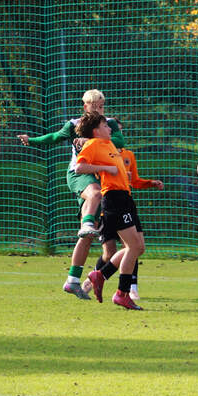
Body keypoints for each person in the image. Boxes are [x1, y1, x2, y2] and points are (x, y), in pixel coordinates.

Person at [17, 89, 124, 297]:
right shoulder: (76, 124)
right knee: (94, 196)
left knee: (89, 236)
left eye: (101, 106)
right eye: (94, 106)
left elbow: (120, 142)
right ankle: (87, 224)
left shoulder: (108, 124)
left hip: (101, 177)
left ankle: (73, 280)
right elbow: (54, 137)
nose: (99, 110)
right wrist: (32, 140)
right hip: (80, 174)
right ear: (85, 107)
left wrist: (91, 142)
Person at [77, 114, 145, 310]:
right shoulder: (93, 144)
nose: (110, 129)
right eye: (105, 126)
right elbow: (79, 167)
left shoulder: (109, 144)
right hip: (114, 199)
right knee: (133, 247)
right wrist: (105, 168)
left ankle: (101, 275)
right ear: (96, 130)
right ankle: (122, 294)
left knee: (139, 247)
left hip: (125, 198)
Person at [115, 145, 162, 304]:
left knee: (135, 247)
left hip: (126, 203)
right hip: (109, 203)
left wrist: (150, 183)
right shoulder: (102, 152)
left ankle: (131, 287)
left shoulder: (128, 154)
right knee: (111, 251)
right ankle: (96, 277)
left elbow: (134, 181)